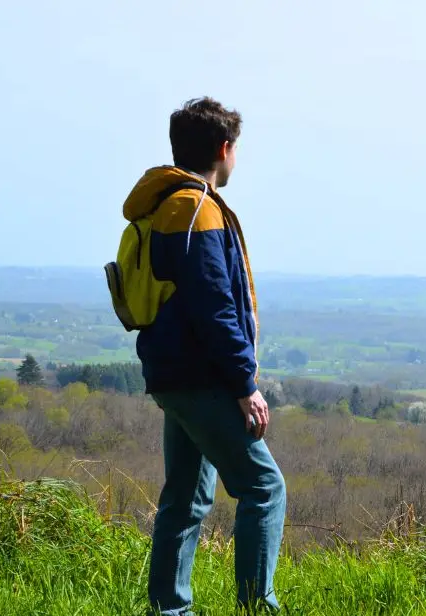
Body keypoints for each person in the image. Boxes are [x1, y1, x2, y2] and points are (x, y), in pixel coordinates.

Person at [119, 97, 286, 615]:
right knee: (263, 487)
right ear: (223, 148)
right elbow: (213, 306)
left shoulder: (170, 204)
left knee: (187, 497)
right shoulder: (196, 208)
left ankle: (170, 608)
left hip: (175, 373)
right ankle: (258, 607)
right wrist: (244, 385)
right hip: (201, 375)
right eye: (236, 149)